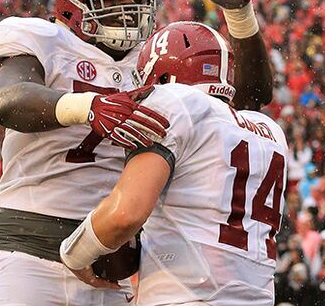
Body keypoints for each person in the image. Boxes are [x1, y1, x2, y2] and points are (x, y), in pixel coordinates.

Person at [0, 0, 273, 305]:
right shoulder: (46, 40)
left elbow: (245, 100)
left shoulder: (153, 60)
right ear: (73, 3)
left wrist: (240, 16)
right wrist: (88, 106)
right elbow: (7, 100)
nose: (127, 9)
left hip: (108, 257)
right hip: (30, 246)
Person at [60, 20, 287, 305]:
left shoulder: (173, 100)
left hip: (186, 295)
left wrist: (74, 252)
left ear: (162, 76)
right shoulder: (270, 130)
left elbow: (125, 214)